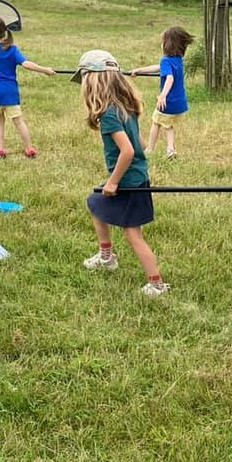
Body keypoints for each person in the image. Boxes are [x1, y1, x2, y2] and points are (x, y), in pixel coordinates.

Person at [74, 50, 170, 297]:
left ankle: (157, 284)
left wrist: (113, 182)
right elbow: (136, 142)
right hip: (136, 177)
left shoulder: (108, 115)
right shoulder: (125, 106)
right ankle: (107, 256)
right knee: (95, 203)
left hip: (128, 181)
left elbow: (127, 151)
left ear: (93, 83)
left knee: (133, 234)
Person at [0, 15, 55, 158]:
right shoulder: (11, 49)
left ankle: (1, 149)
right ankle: (29, 148)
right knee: (18, 121)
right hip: (10, 93)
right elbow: (26, 64)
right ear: (4, 32)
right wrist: (45, 70)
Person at [131, 27, 194, 160]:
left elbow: (169, 78)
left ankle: (150, 149)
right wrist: (139, 70)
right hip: (179, 102)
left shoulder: (166, 61)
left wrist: (163, 95)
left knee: (156, 122)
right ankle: (171, 150)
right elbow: (158, 68)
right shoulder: (177, 60)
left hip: (168, 102)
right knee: (167, 125)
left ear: (167, 44)